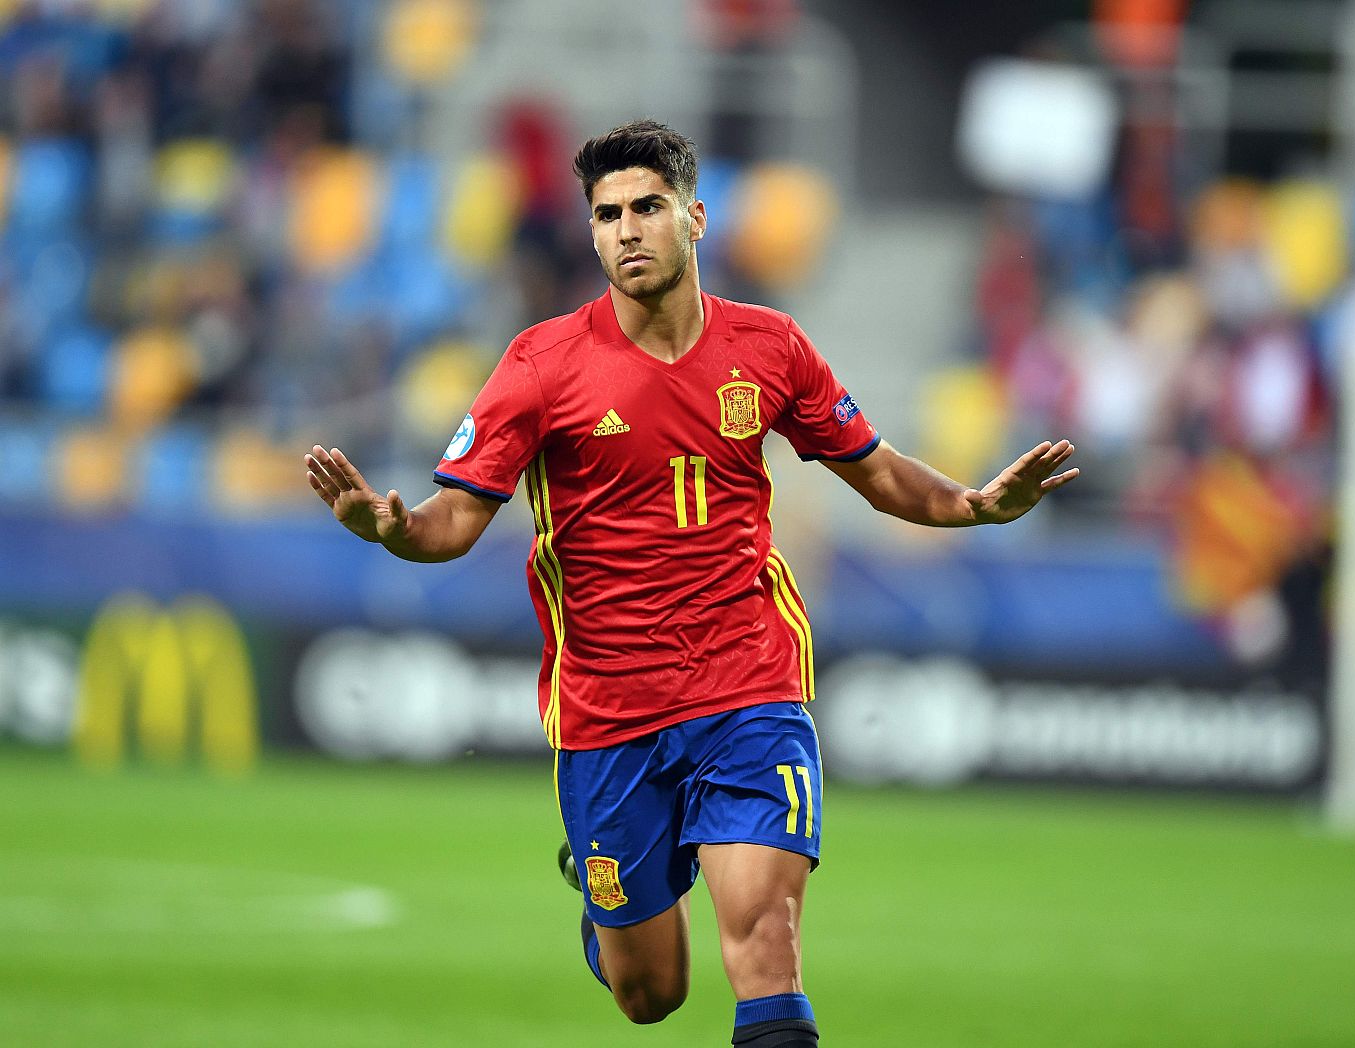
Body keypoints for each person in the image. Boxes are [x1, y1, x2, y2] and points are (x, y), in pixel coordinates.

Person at [304, 119, 1078, 1047]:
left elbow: (878, 473)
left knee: (764, 943)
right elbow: (451, 525)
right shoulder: (541, 365)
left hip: (749, 681)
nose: (625, 230)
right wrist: (387, 532)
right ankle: (605, 919)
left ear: (695, 217)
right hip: (608, 709)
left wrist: (973, 506)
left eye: (646, 207)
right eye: (605, 215)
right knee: (651, 993)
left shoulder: (772, 348)